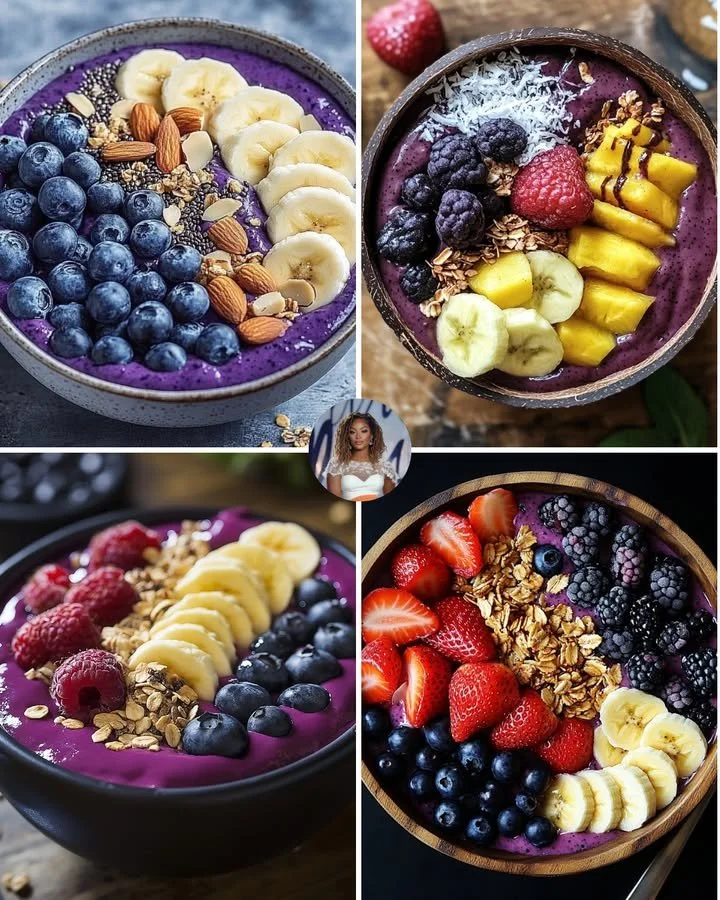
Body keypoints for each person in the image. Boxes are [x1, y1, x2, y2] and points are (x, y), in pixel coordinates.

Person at [325, 413, 397, 501]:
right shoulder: (336, 465)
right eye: (352, 432)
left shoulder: (385, 466)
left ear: (372, 436)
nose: (358, 437)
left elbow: (391, 500)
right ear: (347, 437)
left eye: (364, 431)